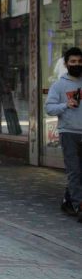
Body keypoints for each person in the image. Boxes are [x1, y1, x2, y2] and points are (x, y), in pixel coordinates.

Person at [45, 47, 82, 221]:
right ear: (66, 63)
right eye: (73, 62)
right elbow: (49, 108)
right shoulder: (59, 85)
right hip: (68, 133)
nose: (77, 64)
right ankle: (78, 205)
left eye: (80, 62)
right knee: (74, 170)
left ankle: (69, 200)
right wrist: (65, 105)